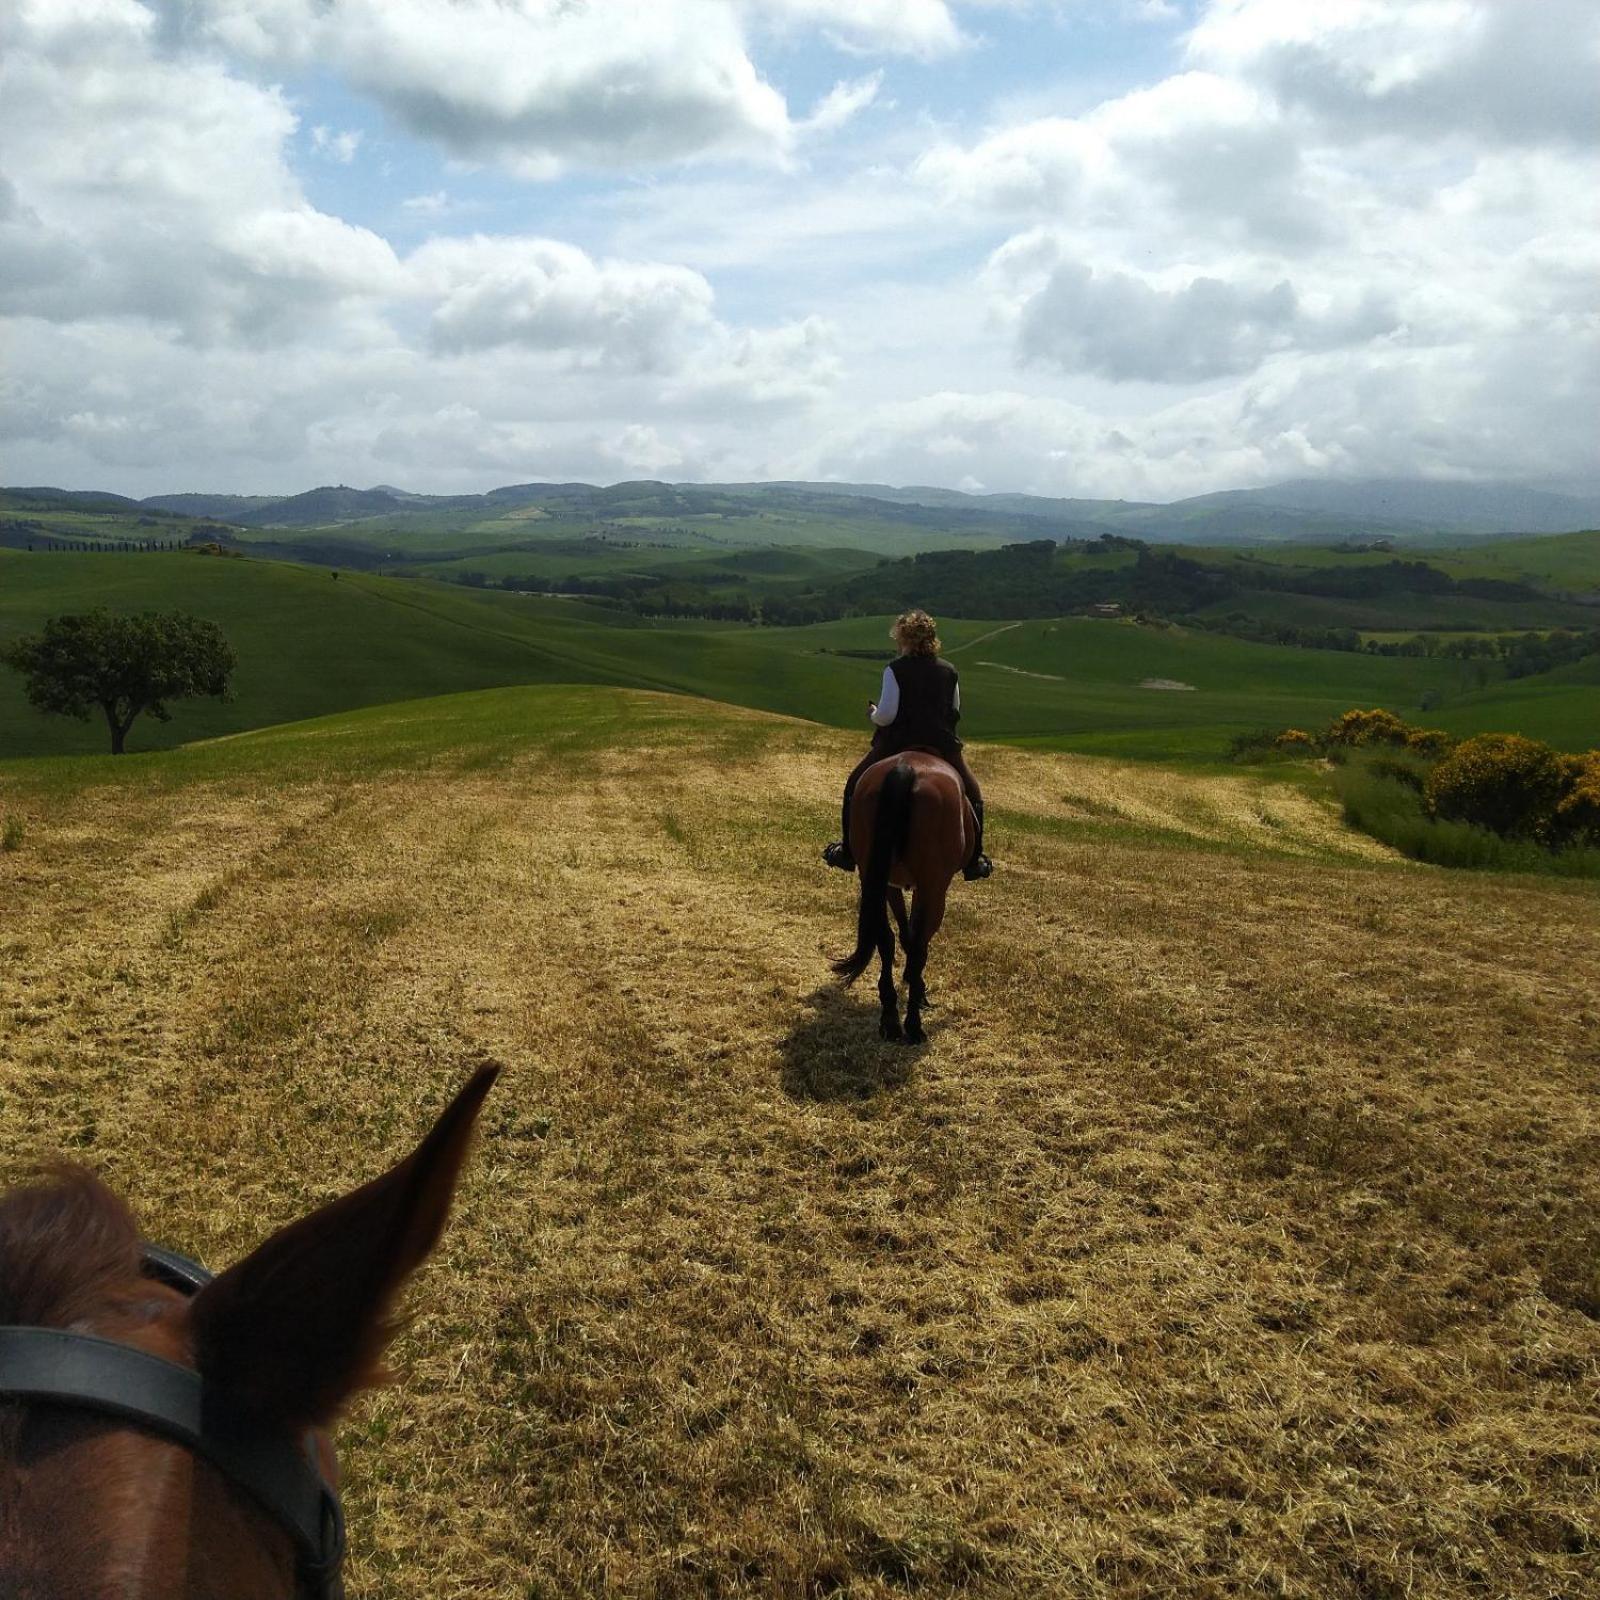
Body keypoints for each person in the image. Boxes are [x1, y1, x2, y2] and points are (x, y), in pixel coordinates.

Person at [823, 609, 992, 880]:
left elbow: (887, 715)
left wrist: (873, 714)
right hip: (941, 743)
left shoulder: (895, 670)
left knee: (854, 784)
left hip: (897, 742)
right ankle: (975, 857)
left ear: (904, 639)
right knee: (973, 792)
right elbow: (954, 709)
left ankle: (848, 850)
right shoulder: (949, 671)